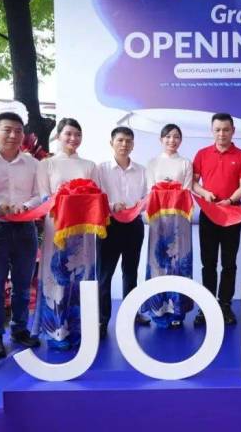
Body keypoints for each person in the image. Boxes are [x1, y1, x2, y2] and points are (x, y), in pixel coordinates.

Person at [32, 117, 98, 350]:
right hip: (57, 226)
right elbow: (43, 196)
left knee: (81, 275)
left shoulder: (89, 165)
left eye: (77, 134)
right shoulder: (46, 164)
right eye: (68, 134)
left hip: (83, 230)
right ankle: (56, 330)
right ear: (58, 136)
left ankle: (80, 328)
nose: (73, 138)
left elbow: (95, 196)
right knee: (57, 273)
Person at [0, 112, 42, 358]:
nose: (13, 135)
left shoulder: (33, 163)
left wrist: (25, 207)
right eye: (7, 130)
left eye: (18, 130)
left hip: (25, 228)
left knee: (23, 284)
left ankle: (19, 329)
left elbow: (39, 194)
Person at [192, 113, 241, 326]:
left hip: (232, 215)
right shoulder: (202, 154)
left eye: (226, 129)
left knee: (229, 263)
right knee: (208, 263)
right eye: (217, 129)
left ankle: (225, 305)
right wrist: (205, 193)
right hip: (208, 214)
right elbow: (193, 183)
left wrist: (231, 200)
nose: (222, 133)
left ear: (233, 131)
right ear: (212, 131)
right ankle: (207, 306)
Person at [97, 127, 149, 337]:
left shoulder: (142, 170)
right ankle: (102, 320)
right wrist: (111, 205)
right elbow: (96, 197)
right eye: (120, 140)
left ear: (133, 144)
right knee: (105, 275)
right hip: (109, 225)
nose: (124, 144)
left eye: (128, 141)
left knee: (130, 272)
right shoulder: (100, 169)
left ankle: (131, 313)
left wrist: (141, 205)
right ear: (111, 143)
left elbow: (147, 196)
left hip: (134, 225)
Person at [143, 124, 194, 328]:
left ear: (180, 140)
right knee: (158, 261)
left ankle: (177, 311)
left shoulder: (185, 163)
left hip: (180, 220)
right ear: (161, 139)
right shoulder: (152, 163)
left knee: (178, 263)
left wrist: (170, 189)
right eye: (168, 136)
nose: (172, 140)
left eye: (176, 137)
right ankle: (158, 310)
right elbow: (150, 190)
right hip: (158, 220)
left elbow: (186, 191)